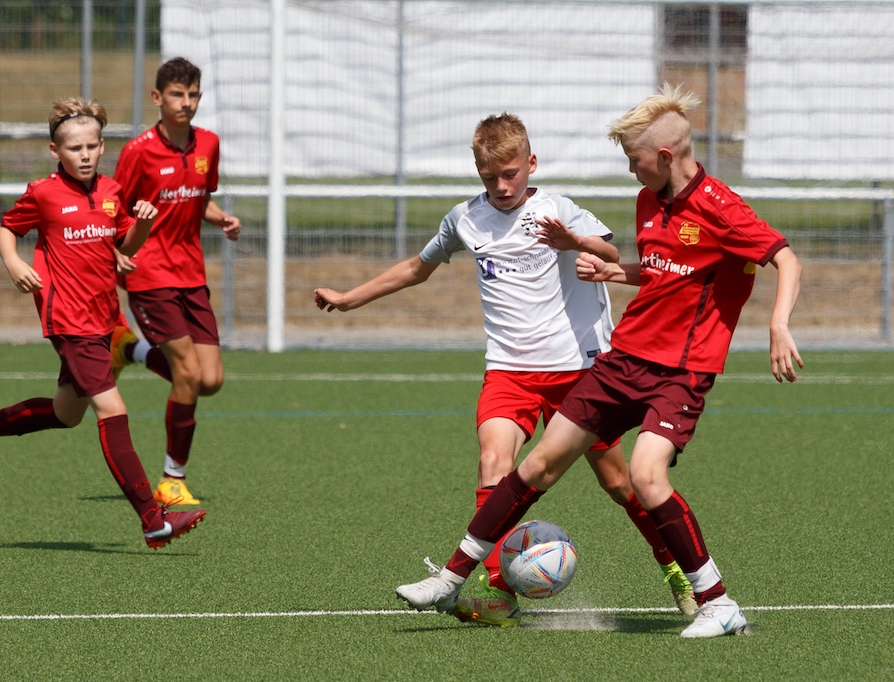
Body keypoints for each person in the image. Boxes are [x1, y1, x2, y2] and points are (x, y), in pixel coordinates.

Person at [395, 85, 804, 638]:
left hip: (681, 370)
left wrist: (778, 324)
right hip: (621, 359)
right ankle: (450, 578)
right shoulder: (649, 201)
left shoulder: (721, 207)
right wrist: (617, 272)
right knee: (536, 465)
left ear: (664, 156)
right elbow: (663, 271)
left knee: (644, 476)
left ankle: (717, 601)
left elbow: (785, 258)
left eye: (634, 159)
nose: (631, 169)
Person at [315, 113, 695, 627]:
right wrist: (348, 299)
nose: (500, 186)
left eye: (510, 173)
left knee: (618, 482)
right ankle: (497, 591)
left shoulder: (557, 209)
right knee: (493, 461)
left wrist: (574, 243)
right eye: (489, 176)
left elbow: (610, 252)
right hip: (509, 371)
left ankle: (674, 567)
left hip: (579, 370)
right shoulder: (464, 219)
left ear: (530, 163)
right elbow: (416, 269)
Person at [0, 98, 206, 550]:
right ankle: (153, 519)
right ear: (55, 151)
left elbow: (125, 244)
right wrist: (14, 264)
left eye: (91, 147)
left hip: (103, 318)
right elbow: (7, 228)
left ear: (102, 146)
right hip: (69, 319)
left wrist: (144, 224)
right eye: (73, 148)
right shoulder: (43, 193)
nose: (84, 156)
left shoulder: (111, 191)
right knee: (113, 410)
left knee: (66, 414)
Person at [109, 57, 242, 507]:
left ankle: (129, 350)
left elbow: (197, 197)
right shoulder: (138, 151)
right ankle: (172, 479)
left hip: (191, 273)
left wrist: (220, 218)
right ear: (157, 98)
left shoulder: (209, 143)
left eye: (193, 95)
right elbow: (115, 211)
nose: (186, 103)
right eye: (176, 95)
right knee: (187, 373)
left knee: (210, 380)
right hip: (148, 273)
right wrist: (115, 256)